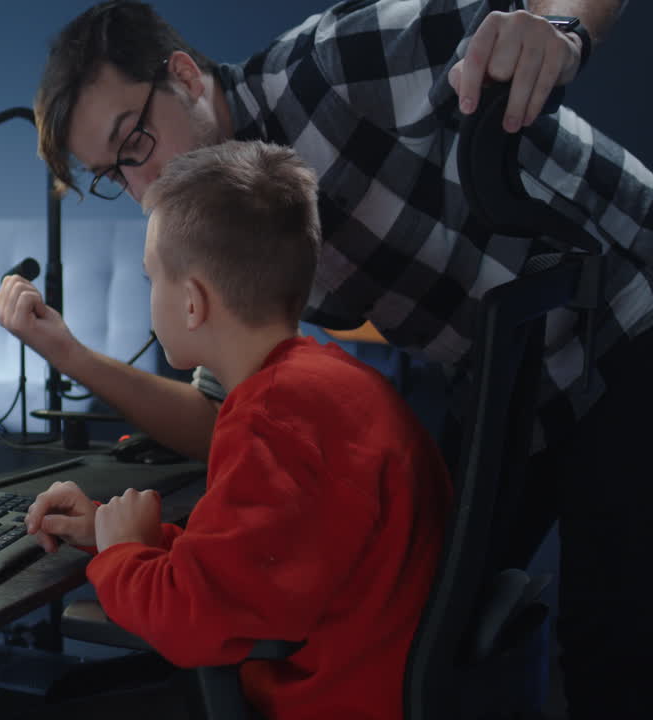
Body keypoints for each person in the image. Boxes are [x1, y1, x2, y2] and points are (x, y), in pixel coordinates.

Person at [0, 0, 649, 715]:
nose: (141, 190)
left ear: (182, 74)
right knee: (444, 608)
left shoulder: (332, 65)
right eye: (112, 174)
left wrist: (557, 30)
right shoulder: (236, 222)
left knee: (607, 645)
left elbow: (533, 10)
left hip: (627, 307)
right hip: (515, 374)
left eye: (136, 141)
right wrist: (68, 355)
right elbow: (225, 418)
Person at [25, 141, 452, 720]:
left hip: (323, 701)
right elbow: (245, 563)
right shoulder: (322, 385)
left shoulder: (272, 422)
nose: (151, 294)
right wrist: (111, 530)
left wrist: (122, 555)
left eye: (152, 278)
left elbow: (190, 622)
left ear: (193, 303)